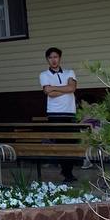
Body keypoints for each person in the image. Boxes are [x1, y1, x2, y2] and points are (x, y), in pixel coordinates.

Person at [39, 47, 78, 181]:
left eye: (55, 57)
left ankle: (67, 171)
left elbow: (72, 87)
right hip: (55, 114)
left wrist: (53, 87)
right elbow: (49, 93)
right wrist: (65, 89)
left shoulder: (70, 72)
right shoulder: (44, 75)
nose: (53, 60)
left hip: (70, 113)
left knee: (71, 143)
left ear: (60, 58)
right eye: (50, 57)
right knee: (61, 144)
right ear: (47, 60)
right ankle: (67, 174)